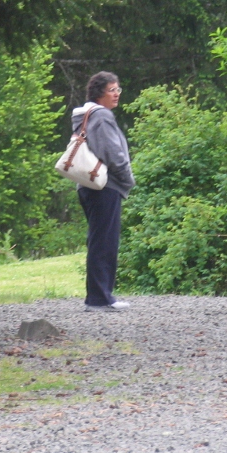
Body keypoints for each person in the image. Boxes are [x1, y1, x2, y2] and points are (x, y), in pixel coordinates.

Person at [72, 71, 135, 311]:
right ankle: (100, 297)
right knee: (104, 241)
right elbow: (113, 155)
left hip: (88, 185)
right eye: (112, 90)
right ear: (99, 93)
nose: (117, 94)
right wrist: (128, 179)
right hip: (104, 186)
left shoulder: (86, 115)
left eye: (118, 89)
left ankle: (100, 294)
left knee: (98, 239)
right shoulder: (102, 117)